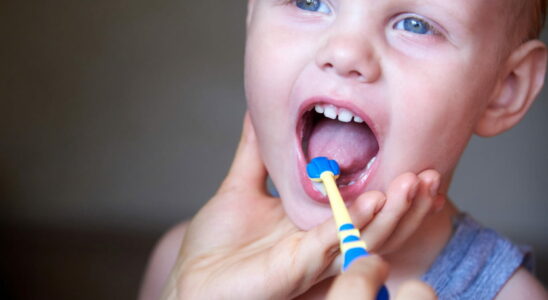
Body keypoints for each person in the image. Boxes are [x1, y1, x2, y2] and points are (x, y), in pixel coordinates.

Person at [139, 0, 548, 299]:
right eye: (309, 1)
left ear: (504, 90)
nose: (344, 52)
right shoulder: (184, 268)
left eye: (416, 25)